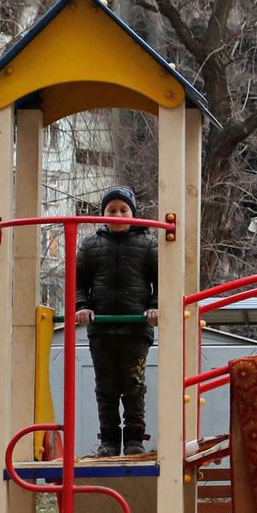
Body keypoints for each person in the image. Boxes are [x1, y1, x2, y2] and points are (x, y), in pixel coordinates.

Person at [74, 185, 159, 457]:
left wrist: (154, 306)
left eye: (124, 210)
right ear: (103, 214)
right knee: (106, 386)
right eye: (112, 210)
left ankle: (135, 439)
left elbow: (162, 280)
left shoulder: (148, 244)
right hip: (102, 329)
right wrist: (83, 306)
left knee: (133, 384)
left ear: (133, 213)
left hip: (135, 328)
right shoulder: (90, 246)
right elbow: (78, 282)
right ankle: (109, 441)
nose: (118, 215)